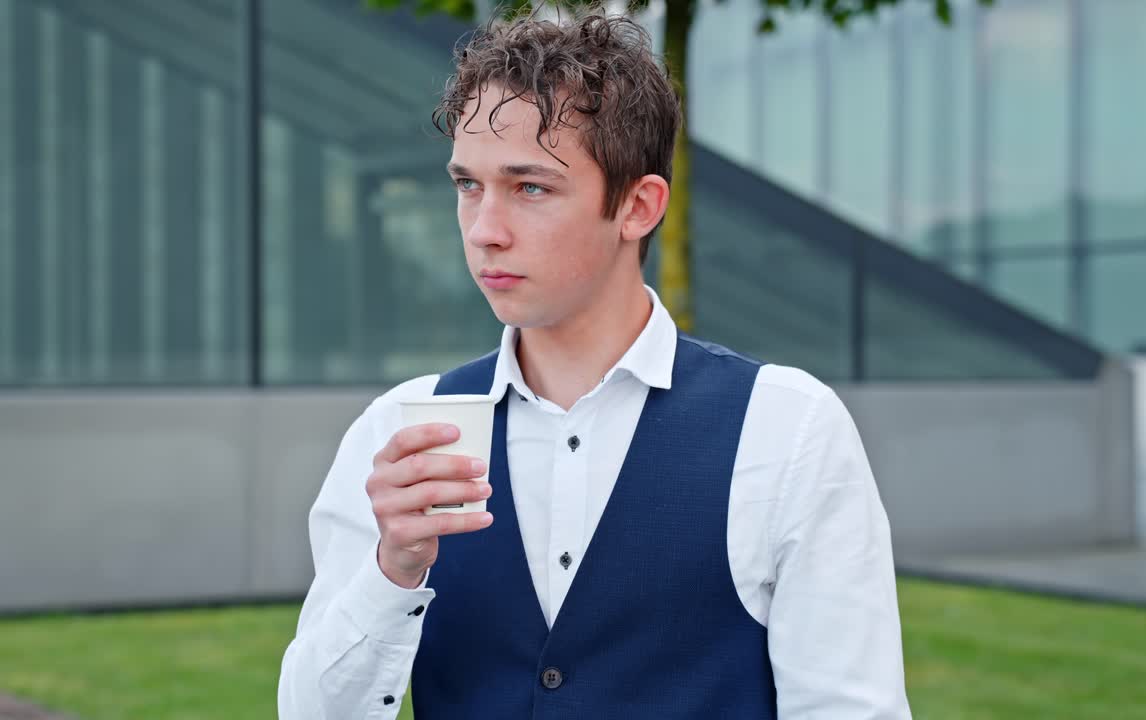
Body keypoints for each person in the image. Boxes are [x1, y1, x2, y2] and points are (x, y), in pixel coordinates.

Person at [278, 10, 910, 719]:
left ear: (638, 206)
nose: (484, 230)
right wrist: (390, 574)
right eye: (467, 185)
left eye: (530, 188)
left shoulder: (787, 429)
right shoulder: (397, 431)